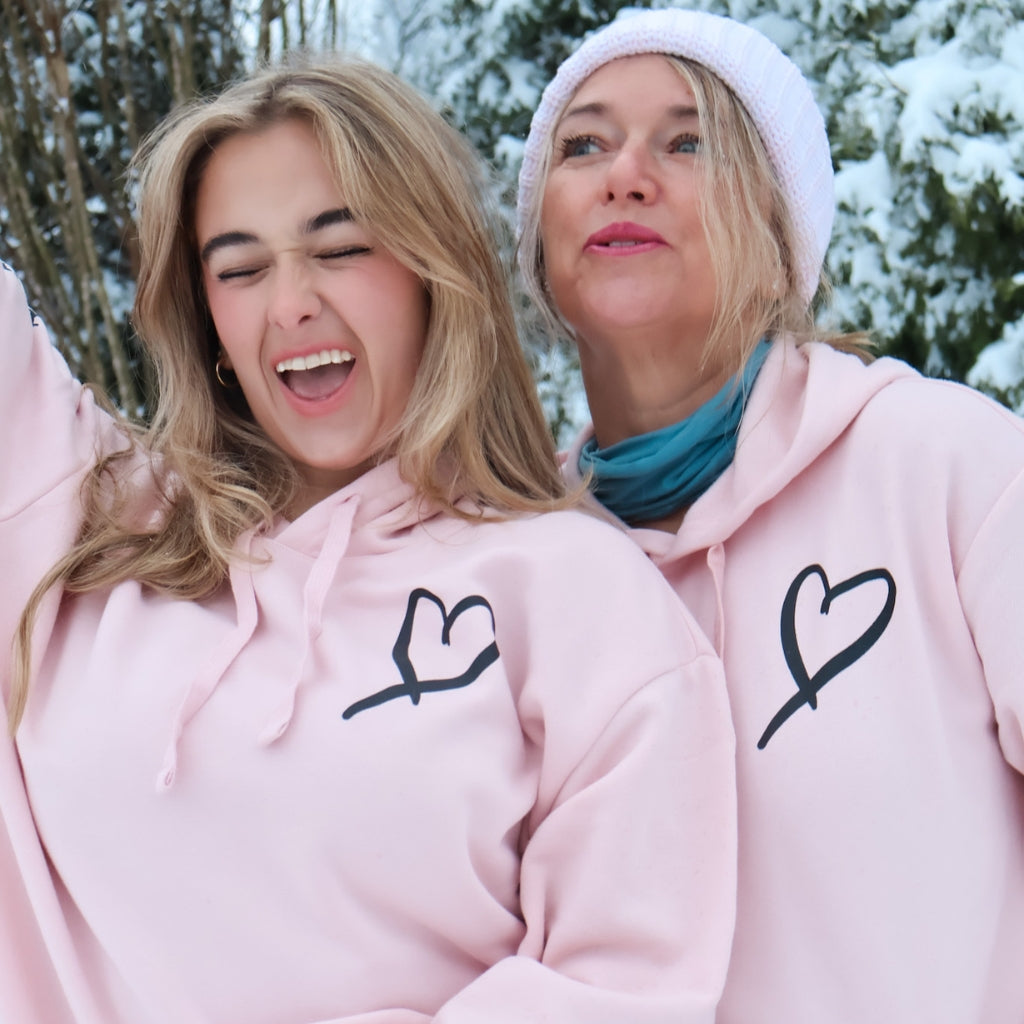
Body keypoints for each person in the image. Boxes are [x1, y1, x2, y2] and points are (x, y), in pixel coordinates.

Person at [0, 56, 738, 1024]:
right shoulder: (84, 519)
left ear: (433, 265)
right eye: (240, 267)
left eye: (340, 247)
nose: (290, 302)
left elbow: (620, 985)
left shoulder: (577, 597)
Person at [517, 8, 1024, 1023]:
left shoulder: (943, 467)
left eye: (687, 139)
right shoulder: (520, 570)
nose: (625, 173)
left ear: (779, 217)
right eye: (583, 143)